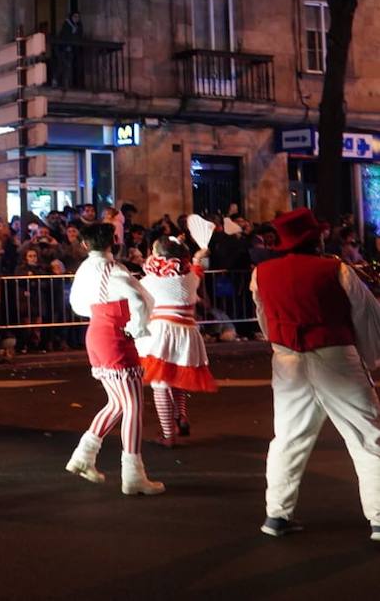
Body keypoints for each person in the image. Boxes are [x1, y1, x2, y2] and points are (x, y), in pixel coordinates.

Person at [249, 208, 380, 542]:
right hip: (334, 353)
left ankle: (277, 514)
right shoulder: (336, 269)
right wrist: (370, 358)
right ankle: (379, 518)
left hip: (287, 358)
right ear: (315, 237)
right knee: (366, 437)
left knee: (289, 439)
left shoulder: (261, 273)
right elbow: (366, 314)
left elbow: (264, 320)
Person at [64, 222, 165, 496]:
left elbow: (76, 304)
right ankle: (133, 473)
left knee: (118, 403)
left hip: (97, 333)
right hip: (115, 336)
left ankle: (84, 456)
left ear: (85, 245)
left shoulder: (85, 269)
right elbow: (140, 299)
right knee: (132, 406)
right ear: (113, 241)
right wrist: (137, 326)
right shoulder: (113, 269)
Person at [135, 237, 217, 448]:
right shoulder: (190, 277)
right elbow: (197, 269)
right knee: (177, 376)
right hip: (188, 330)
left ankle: (168, 434)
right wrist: (199, 257)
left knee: (160, 384)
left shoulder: (149, 281)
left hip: (162, 330)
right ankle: (181, 416)